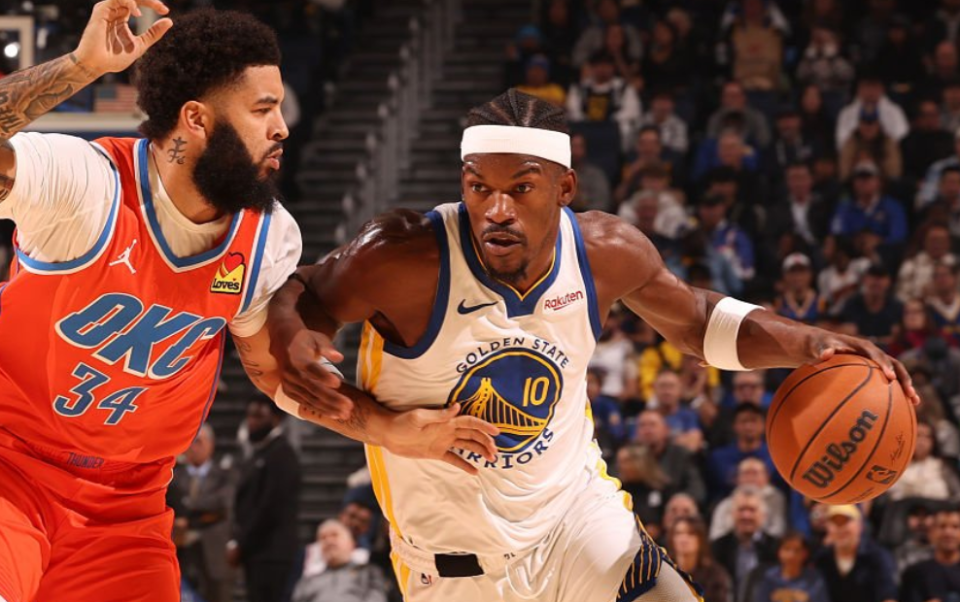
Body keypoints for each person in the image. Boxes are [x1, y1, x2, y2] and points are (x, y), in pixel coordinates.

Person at [267, 90, 917, 602]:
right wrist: (375, 419)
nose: (496, 210)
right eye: (478, 186)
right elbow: (290, 309)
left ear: (565, 189)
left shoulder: (606, 252)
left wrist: (813, 343)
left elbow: (696, 321)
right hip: (456, 565)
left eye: (520, 188)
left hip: (578, 522)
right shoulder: (401, 257)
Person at [229, 397, 301, 602]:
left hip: (272, 554)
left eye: (259, 416)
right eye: (250, 416)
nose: (251, 422)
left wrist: (241, 543)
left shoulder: (282, 454)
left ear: (276, 419)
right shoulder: (262, 452)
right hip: (258, 551)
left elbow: (270, 508)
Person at [169, 424, 236, 602]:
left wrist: (186, 513)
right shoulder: (173, 475)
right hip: (179, 550)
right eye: (191, 442)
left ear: (211, 444)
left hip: (213, 551)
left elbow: (222, 504)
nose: (194, 447)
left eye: (198, 441)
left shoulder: (225, 475)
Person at [814, 505, 898, 602]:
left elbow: (888, 596)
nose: (840, 528)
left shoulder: (878, 557)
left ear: (860, 525)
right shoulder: (822, 559)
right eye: (835, 522)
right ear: (827, 527)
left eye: (846, 521)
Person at [710, 486, 779, 602]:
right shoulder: (717, 547)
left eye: (752, 510)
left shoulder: (776, 547)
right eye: (741, 509)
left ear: (764, 515)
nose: (746, 515)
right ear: (732, 513)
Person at [291, 519, 388, 602]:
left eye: (335, 535)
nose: (329, 541)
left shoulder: (370, 573)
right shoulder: (308, 580)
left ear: (352, 543)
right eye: (323, 538)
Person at [710, 458, 787, 540]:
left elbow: (778, 530)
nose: (750, 477)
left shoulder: (776, 499)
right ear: (737, 478)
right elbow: (716, 535)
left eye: (755, 473)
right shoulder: (726, 504)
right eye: (746, 473)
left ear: (766, 476)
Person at [899, 505, 960, 602]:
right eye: (942, 526)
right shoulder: (915, 573)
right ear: (931, 533)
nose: (948, 533)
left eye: (955, 527)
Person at [667, 517, 732, 602]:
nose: (683, 539)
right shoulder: (662, 571)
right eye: (678, 533)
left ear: (700, 539)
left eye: (691, 534)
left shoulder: (715, 575)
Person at [752, 533, 828, 602]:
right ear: (779, 552)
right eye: (786, 549)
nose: (791, 555)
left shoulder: (814, 579)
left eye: (797, 550)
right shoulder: (769, 578)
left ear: (805, 554)